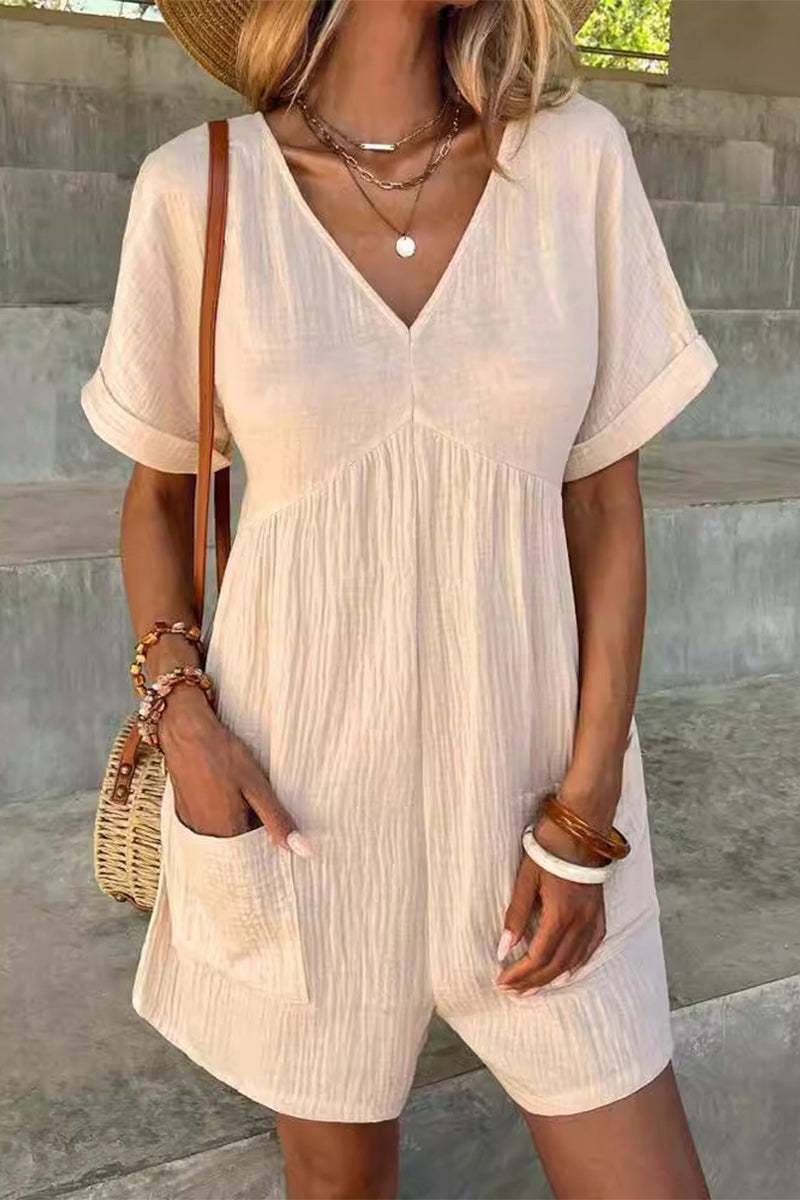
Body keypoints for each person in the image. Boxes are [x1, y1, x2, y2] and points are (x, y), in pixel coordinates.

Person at [80, 1, 719, 1196]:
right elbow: (162, 496)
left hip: (537, 807)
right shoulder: (199, 189)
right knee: (338, 1186)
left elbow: (602, 507)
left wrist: (585, 813)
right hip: (297, 805)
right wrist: (186, 721)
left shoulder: (572, 162)